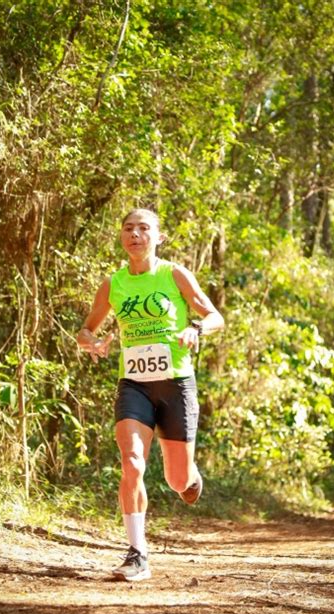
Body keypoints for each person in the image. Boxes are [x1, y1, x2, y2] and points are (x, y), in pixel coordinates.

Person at [77, 208, 225, 581]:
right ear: (122, 237)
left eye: (144, 229)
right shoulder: (114, 283)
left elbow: (215, 316)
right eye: (129, 228)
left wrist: (195, 329)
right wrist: (93, 343)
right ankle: (137, 554)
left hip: (176, 383)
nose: (135, 234)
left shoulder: (173, 274)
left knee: (177, 481)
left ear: (158, 237)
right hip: (135, 385)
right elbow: (85, 330)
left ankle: (190, 477)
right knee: (132, 462)